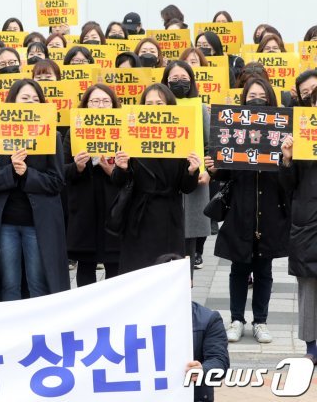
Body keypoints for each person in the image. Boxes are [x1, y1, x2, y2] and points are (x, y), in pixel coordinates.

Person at [205, 77, 290, 344]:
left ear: (270, 101)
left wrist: (287, 158)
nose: (256, 100)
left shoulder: (281, 133)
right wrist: (215, 166)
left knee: (264, 270)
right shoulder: (234, 131)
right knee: (238, 269)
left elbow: (289, 180)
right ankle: (236, 319)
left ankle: (261, 321)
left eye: (261, 97)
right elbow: (225, 172)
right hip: (240, 212)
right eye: (251, 95)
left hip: (270, 213)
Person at [0, 79, 69, 301]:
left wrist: (27, 174)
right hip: (6, 223)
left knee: (38, 283)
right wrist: (11, 171)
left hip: (38, 224)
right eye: (25, 98)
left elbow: (57, 181)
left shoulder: (52, 136)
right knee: (10, 284)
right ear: (12, 102)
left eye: (35, 99)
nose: (30, 103)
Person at [111, 84, 200, 273]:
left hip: (169, 216)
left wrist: (192, 171)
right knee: (137, 273)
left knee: (166, 274)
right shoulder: (131, 134)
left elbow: (186, 187)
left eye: (159, 103)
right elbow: (119, 182)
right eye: (149, 103)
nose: (154, 107)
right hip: (138, 216)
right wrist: (122, 167)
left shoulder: (181, 136)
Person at [63, 84, 121, 286]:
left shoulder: (124, 132)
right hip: (84, 208)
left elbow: (132, 172)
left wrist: (112, 170)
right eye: (95, 101)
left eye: (105, 101)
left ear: (114, 105)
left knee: (115, 264)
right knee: (85, 265)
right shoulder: (74, 132)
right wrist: (76, 167)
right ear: (86, 105)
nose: (100, 106)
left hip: (113, 207)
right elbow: (62, 170)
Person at [157, 254, 230, 402]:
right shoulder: (140, 320)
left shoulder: (208, 319)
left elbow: (219, 360)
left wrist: (203, 369)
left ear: (190, 282)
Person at [278, 89, 317, 365]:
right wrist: (288, 159)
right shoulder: (301, 136)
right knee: (308, 287)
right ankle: (312, 346)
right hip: (308, 219)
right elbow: (287, 188)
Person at [161, 61, 211, 270]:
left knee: (187, 245)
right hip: (163, 182)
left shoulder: (200, 109)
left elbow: (210, 146)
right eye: (174, 79)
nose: (179, 82)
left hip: (193, 182)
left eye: (184, 79)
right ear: (165, 82)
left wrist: (208, 171)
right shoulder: (157, 110)